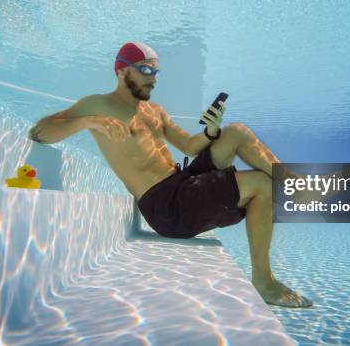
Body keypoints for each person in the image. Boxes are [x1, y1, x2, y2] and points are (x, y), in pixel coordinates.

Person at [28, 41, 313, 308]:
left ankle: (294, 183)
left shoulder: (155, 111)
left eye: (156, 71)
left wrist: (211, 131)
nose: (154, 78)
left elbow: (188, 145)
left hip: (183, 182)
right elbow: (40, 132)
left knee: (236, 131)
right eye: (146, 70)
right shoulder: (98, 106)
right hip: (165, 207)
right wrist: (90, 122)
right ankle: (263, 281)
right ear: (122, 69)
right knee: (262, 184)